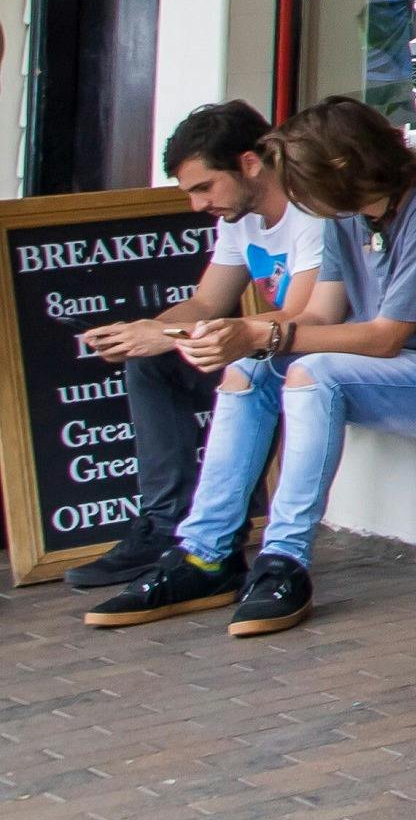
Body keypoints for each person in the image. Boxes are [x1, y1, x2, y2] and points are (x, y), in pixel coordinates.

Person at [84, 98, 416, 640]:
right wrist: (250, 342)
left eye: (302, 181)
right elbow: (320, 315)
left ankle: (284, 560)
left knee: (314, 371)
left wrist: (261, 331)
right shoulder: (344, 217)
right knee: (253, 369)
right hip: (408, 374)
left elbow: (384, 336)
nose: (295, 195)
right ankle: (205, 558)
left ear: (342, 170)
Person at [65, 103, 367, 591]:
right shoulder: (238, 218)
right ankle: (166, 527)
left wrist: (164, 335)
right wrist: (144, 331)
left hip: (323, 351)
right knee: (151, 363)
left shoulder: (311, 210)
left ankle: (223, 541)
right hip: (269, 348)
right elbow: (208, 301)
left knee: (249, 361)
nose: (197, 205)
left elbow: (304, 317)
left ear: (250, 163)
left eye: (204, 187)